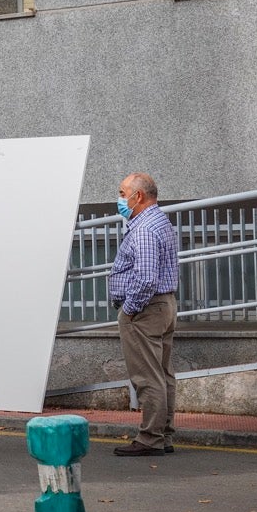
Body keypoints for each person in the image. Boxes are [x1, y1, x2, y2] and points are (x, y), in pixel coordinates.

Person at [108, 172, 179, 457]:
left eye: (123, 193)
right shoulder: (157, 220)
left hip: (146, 310)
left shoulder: (145, 229)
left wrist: (130, 308)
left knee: (148, 377)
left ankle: (150, 438)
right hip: (162, 305)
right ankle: (163, 435)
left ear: (138, 197)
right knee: (162, 374)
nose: (120, 198)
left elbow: (146, 277)